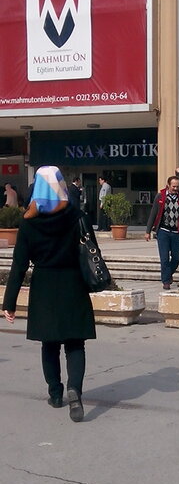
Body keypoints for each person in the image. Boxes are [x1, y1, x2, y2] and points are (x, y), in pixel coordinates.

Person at [2, 166, 96, 422]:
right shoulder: (77, 216)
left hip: (44, 286)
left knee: (49, 343)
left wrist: (9, 302)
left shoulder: (29, 221)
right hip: (73, 284)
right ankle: (75, 388)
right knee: (75, 343)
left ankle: (56, 393)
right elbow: (91, 251)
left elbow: (19, 264)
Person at [145, 176, 179, 289]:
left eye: (177, 187)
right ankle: (166, 281)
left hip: (176, 232)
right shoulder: (160, 196)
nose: (175, 188)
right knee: (164, 258)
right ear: (168, 185)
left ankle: (168, 274)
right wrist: (148, 231)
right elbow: (153, 214)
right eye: (173, 186)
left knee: (176, 257)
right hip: (163, 231)